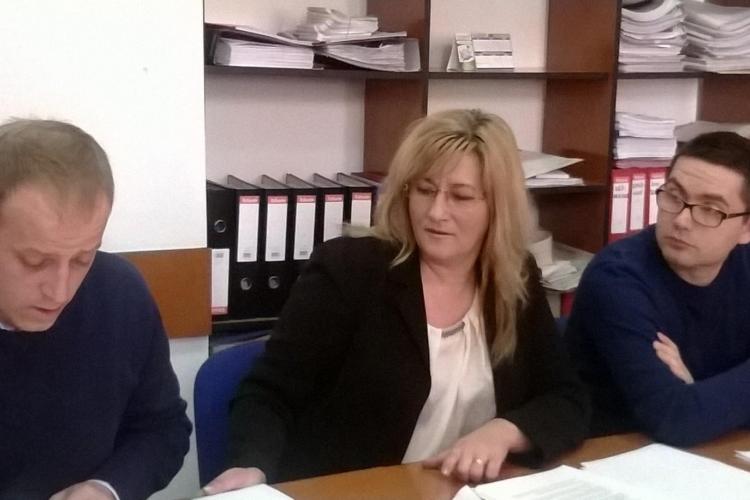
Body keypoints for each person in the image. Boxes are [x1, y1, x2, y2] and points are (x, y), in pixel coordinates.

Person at [205, 108, 590, 494]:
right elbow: (269, 394)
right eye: (424, 190)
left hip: (467, 491)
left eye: (460, 196)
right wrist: (250, 463)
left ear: (497, 207)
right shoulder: (349, 272)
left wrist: (506, 432)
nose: (436, 212)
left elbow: (565, 398)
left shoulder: (513, 278)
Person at [0, 119, 191, 500]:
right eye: (35, 262)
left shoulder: (120, 294)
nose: (60, 291)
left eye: (82, 259)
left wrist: (106, 489)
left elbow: (162, 429)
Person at [565, 131, 750, 446]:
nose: (681, 220)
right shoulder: (617, 278)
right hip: (612, 452)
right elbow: (675, 419)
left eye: (710, 209)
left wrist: (698, 391)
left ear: (746, 227)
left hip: (713, 451)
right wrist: (703, 399)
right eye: (674, 197)